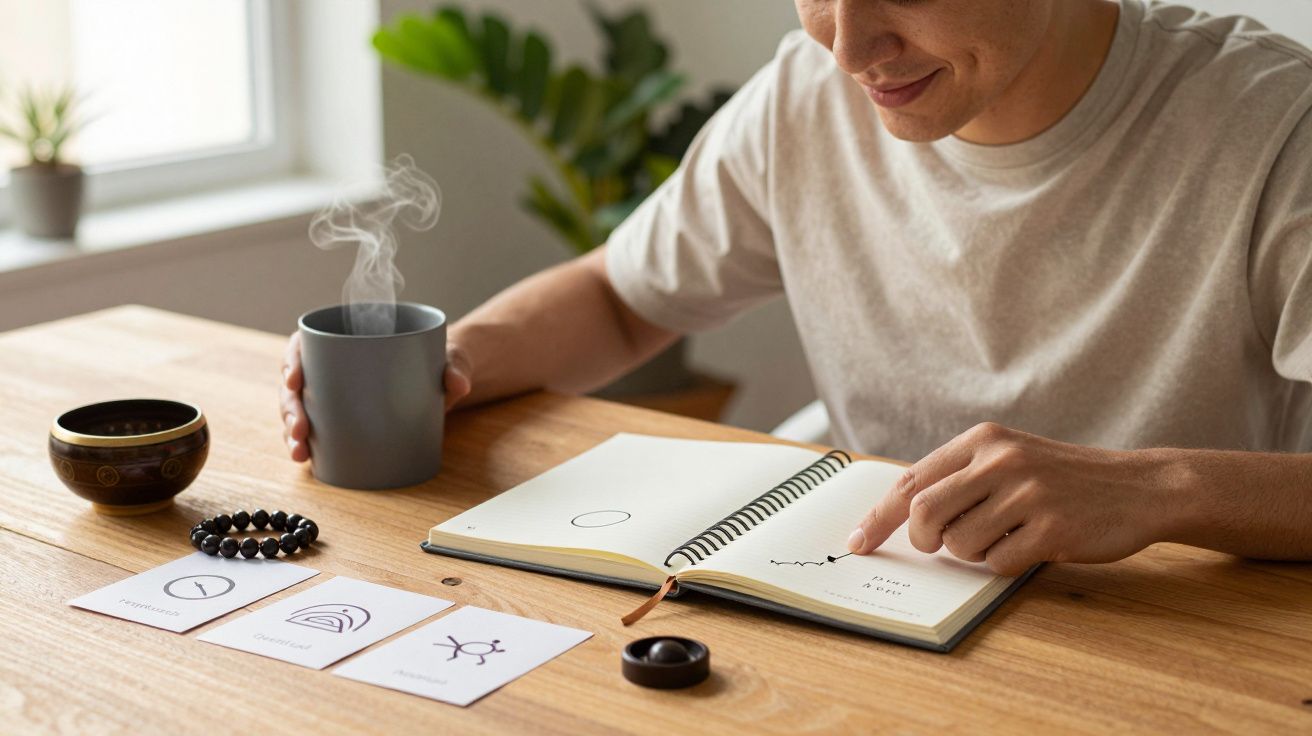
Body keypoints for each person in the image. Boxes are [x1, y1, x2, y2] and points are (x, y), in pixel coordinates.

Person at [281, 0, 1312, 575]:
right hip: (861, 603)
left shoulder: (1274, 129)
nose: (849, 46)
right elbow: (622, 298)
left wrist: (1152, 488)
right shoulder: (803, 97)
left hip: (1159, 637)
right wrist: (460, 358)